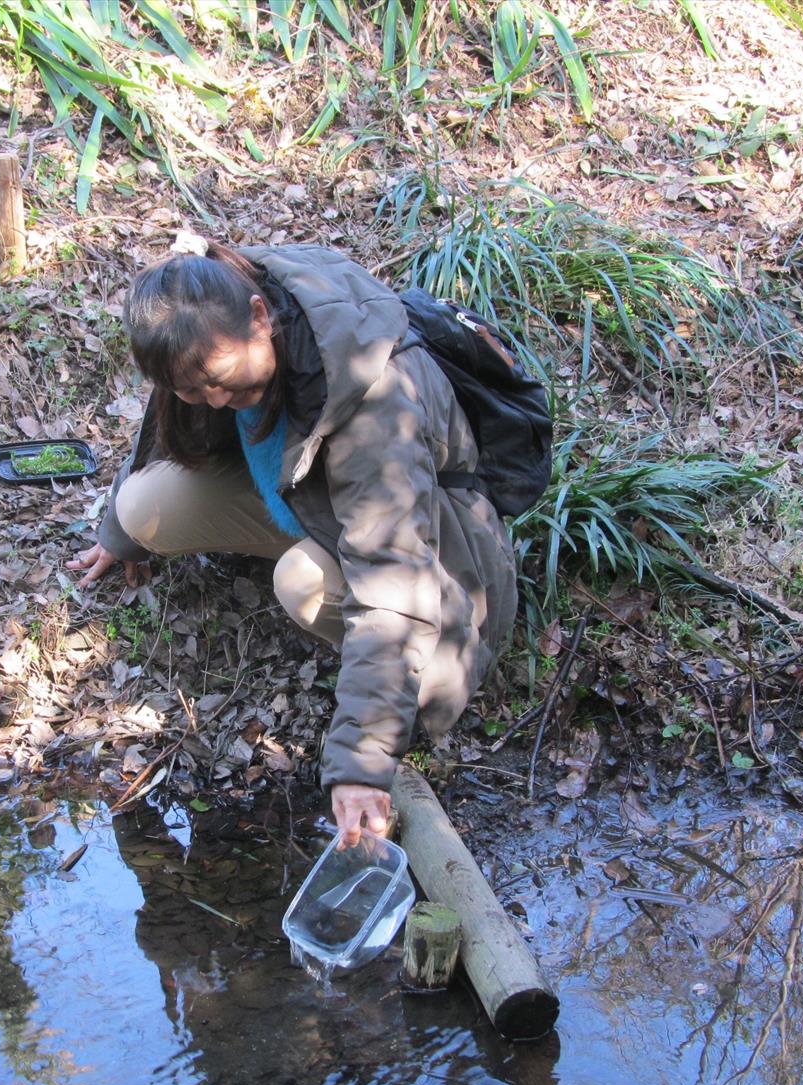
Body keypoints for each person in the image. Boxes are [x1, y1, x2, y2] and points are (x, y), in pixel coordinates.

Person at [66, 239, 517, 848]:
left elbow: (394, 586)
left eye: (221, 382)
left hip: (438, 553)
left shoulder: (371, 394)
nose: (215, 401)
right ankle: (311, 557)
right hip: (311, 502)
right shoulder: (205, 321)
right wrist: (118, 538)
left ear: (260, 316)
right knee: (143, 509)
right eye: (193, 391)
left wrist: (361, 762)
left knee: (302, 584)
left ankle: (407, 675)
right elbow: (162, 435)